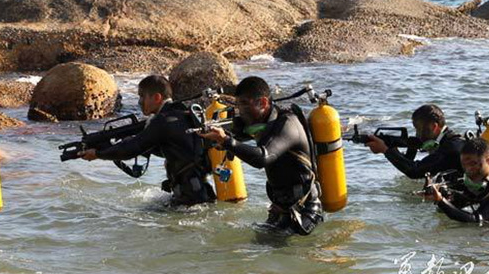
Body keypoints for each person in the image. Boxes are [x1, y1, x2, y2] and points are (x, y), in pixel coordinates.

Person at [198, 76, 323, 234]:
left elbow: (262, 158)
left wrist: (226, 140)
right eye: (238, 104)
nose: (240, 111)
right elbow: (238, 135)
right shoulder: (261, 122)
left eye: (244, 104)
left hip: (305, 211)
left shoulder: (287, 125)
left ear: (263, 103)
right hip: (281, 210)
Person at [80, 75, 215, 206]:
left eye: (142, 96)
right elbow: (174, 150)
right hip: (203, 195)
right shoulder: (181, 115)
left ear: (157, 97)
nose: (139, 102)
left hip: (189, 201)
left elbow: (131, 149)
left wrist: (98, 154)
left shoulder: (162, 121)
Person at [366, 104, 465, 179]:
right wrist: (407, 147)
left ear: (434, 127)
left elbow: (415, 171)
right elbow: (411, 165)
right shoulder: (448, 140)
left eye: (419, 129)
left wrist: (385, 150)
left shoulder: (450, 148)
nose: (417, 134)